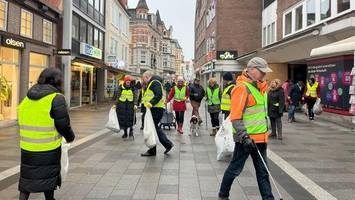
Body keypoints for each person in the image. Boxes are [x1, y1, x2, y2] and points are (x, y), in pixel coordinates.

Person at [218, 57, 274, 200]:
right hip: (246, 140)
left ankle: (268, 198)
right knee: (235, 169)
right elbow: (235, 117)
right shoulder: (241, 88)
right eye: (261, 72)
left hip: (261, 138)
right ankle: (223, 195)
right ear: (252, 70)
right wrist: (244, 137)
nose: (264, 75)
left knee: (263, 171)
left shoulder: (261, 88)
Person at [17, 68, 75, 200]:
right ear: (57, 81)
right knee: (49, 176)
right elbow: (63, 125)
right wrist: (70, 137)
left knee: (27, 178)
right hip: (48, 148)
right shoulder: (56, 98)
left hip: (27, 148)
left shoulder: (27, 97)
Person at [141, 71, 174, 156]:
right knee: (154, 129)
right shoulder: (153, 83)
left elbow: (158, 95)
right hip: (153, 109)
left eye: (143, 78)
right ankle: (165, 145)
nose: (143, 80)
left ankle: (160, 147)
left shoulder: (154, 83)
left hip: (155, 109)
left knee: (152, 129)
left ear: (147, 77)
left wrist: (151, 103)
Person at [116, 75, 138, 140]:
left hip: (130, 105)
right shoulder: (121, 87)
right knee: (123, 119)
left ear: (130, 81)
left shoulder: (133, 88)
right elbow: (118, 96)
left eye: (129, 81)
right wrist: (116, 104)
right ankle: (125, 133)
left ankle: (131, 132)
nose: (128, 82)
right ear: (125, 81)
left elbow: (135, 96)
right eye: (126, 81)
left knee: (131, 118)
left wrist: (135, 104)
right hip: (122, 105)